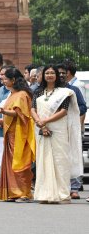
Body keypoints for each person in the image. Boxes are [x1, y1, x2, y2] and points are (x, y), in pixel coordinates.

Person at [31, 65, 82, 204]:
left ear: (57, 75)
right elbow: (32, 108)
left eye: (52, 73)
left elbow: (64, 111)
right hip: (41, 128)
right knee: (43, 160)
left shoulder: (65, 92)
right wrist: (39, 122)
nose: (49, 75)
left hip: (58, 130)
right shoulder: (38, 92)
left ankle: (62, 194)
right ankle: (44, 194)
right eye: (47, 73)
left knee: (60, 160)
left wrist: (45, 121)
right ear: (43, 75)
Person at [0, 68, 35, 203]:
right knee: (11, 164)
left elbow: (20, 114)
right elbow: (11, 114)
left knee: (21, 163)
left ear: (13, 80)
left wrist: (3, 111)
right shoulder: (12, 94)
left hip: (20, 135)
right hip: (10, 135)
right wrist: (1, 120)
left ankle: (24, 193)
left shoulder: (22, 94)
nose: (2, 80)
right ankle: (12, 192)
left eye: (5, 78)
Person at [56, 63, 86, 199]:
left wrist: (73, 118)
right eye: (59, 73)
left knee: (73, 157)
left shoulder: (73, 90)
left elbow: (82, 107)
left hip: (71, 127)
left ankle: (74, 188)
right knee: (58, 157)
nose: (61, 75)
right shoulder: (49, 91)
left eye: (63, 73)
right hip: (55, 128)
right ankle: (59, 187)